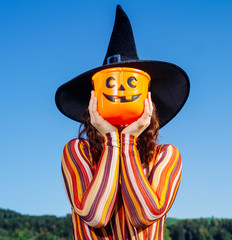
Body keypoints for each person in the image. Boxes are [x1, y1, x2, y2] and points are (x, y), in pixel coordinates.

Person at [56, 5, 189, 240]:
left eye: (130, 85)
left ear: (148, 100)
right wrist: (112, 141)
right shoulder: (78, 152)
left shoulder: (165, 157)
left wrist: (126, 140)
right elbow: (96, 216)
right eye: (111, 85)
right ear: (93, 101)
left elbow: (145, 215)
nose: (120, 92)